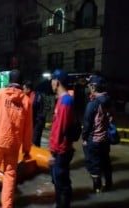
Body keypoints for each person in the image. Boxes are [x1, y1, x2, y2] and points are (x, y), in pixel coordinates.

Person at [0, 69, 33, 208]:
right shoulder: (26, 101)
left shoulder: (0, 94)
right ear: (21, 82)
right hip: (14, 145)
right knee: (9, 176)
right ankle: (7, 206)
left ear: (9, 80)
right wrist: (27, 149)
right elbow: (28, 129)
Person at [49, 69, 76, 208]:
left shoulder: (65, 101)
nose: (51, 83)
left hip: (61, 151)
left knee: (62, 184)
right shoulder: (62, 100)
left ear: (57, 82)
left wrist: (53, 152)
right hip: (59, 150)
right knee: (58, 182)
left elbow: (61, 128)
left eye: (52, 80)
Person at [82, 74, 113, 193]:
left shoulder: (93, 104)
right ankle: (108, 184)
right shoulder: (108, 101)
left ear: (93, 87)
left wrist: (84, 138)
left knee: (93, 164)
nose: (89, 88)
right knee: (105, 162)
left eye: (90, 85)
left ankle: (97, 189)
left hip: (94, 140)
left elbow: (87, 124)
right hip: (105, 139)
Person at [23, 80, 46, 147]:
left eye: (24, 89)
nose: (23, 90)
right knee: (35, 141)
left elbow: (30, 109)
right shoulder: (35, 95)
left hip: (37, 122)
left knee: (34, 142)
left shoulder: (34, 97)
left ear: (28, 89)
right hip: (36, 121)